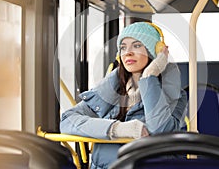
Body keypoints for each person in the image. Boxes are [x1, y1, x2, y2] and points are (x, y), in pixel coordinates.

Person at [60, 22, 188, 169]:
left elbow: (160, 131)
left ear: (155, 51)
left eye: (137, 45)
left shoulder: (176, 96)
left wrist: (148, 77)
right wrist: (119, 129)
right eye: (123, 47)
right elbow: (67, 121)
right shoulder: (110, 91)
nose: (128, 52)